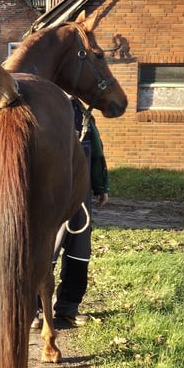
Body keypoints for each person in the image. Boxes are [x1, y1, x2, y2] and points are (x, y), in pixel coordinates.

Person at [33, 97, 109, 329]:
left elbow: (96, 151)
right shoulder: (41, 106)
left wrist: (100, 185)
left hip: (81, 195)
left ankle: (68, 305)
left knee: (79, 250)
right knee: (46, 250)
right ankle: (33, 308)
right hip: (50, 196)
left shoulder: (82, 113)